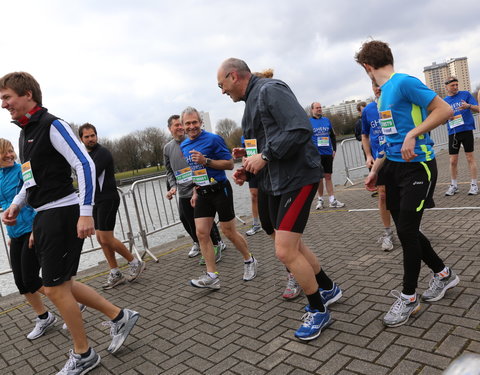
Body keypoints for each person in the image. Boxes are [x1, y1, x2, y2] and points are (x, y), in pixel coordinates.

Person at [0, 72, 139, 375]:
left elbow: (84, 164)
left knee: (54, 288)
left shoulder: (53, 124)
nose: (3, 104)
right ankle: (119, 316)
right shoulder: (26, 133)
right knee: (62, 283)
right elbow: (30, 179)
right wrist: (15, 205)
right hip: (44, 215)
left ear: (27, 94)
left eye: (7, 97)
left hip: (62, 213)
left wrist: (85, 212)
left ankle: (84, 353)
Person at [218, 58, 342, 341]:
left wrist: (265, 155)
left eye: (221, 85)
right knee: (287, 241)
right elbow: (264, 145)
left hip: (298, 177)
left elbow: (300, 128)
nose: (222, 92)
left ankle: (318, 310)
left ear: (233, 76)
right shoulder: (250, 103)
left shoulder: (270, 90)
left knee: (284, 251)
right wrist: (247, 169)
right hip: (275, 181)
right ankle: (327, 287)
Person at [356, 40, 459, 327]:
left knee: (407, 232)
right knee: (406, 230)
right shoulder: (382, 95)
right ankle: (443, 274)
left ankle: (409, 297)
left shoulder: (402, 82)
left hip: (419, 167)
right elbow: (389, 141)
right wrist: (375, 170)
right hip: (393, 168)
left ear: (367, 67)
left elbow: (444, 111)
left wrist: (414, 133)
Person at [179, 106, 257, 289]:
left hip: (220, 189)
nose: (191, 126)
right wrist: (195, 191)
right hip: (202, 192)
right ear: (183, 125)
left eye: (194, 122)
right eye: (188, 123)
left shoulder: (213, 139)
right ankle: (212, 275)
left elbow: (230, 164)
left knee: (228, 231)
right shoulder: (184, 145)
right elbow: (195, 170)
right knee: (201, 233)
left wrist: (206, 160)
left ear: (201, 123)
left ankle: (249, 260)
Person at [0, 138, 57, 339]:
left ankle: (71, 301)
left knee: (31, 279)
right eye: (4, 152)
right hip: (15, 234)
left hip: (32, 229)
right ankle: (44, 317)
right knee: (21, 283)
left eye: (10, 151)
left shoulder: (24, 170)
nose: (9, 155)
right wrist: (10, 234)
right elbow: (6, 205)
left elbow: (34, 199)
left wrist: (35, 228)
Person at [79, 123, 146, 289]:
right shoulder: (84, 156)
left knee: (107, 237)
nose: (90, 139)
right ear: (81, 139)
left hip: (108, 199)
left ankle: (135, 262)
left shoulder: (102, 153)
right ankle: (115, 272)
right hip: (95, 201)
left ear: (97, 136)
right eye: (86, 137)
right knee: (101, 239)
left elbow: (90, 176)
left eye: (92, 135)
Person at [163, 114, 226, 262]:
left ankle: (217, 243)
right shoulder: (167, 148)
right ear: (170, 128)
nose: (180, 128)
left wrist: (196, 188)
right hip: (182, 190)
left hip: (198, 187)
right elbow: (169, 170)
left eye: (181, 125)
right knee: (186, 219)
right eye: (176, 125)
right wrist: (172, 187)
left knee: (204, 219)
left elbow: (198, 166)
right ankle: (197, 243)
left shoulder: (191, 142)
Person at [361, 82, 394, 251]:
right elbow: (365, 135)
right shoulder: (368, 110)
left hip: (398, 156)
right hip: (379, 160)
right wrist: (368, 155)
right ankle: (388, 233)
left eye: (380, 84)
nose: (377, 88)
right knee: (382, 196)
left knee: (402, 193)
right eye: (374, 85)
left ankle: (411, 228)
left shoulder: (396, 102)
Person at [442, 76, 479, 196]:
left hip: (466, 130)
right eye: (453, 85)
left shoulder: (466, 94)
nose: (455, 87)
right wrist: (447, 117)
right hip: (453, 133)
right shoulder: (444, 101)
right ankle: (454, 185)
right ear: (446, 87)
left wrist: (468, 106)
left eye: (457, 85)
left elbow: (478, 108)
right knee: (453, 161)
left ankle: (474, 185)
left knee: (470, 158)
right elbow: (441, 121)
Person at [309, 102, 345, 209]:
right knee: (319, 178)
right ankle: (320, 200)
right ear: (312, 110)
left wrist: (334, 149)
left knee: (328, 176)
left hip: (328, 153)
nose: (319, 109)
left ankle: (332, 200)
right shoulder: (309, 122)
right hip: (316, 154)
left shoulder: (326, 120)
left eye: (320, 107)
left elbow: (332, 136)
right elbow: (305, 139)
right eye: (317, 108)